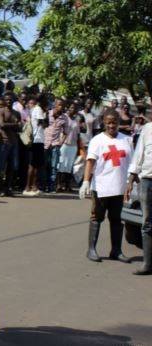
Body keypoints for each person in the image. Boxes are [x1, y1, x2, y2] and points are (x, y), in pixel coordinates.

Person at [79, 109, 132, 264]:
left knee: (116, 219)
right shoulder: (98, 140)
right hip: (101, 187)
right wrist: (86, 181)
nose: (111, 125)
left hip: (119, 187)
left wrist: (131, 182)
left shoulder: (126, 140)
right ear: (103, 122)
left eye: (114, 122)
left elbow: (132, 163)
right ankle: (91, 249)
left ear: (118, 122)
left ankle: (116, 250)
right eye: (108, 122)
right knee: (97, 217)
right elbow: (90, 161)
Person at [127, 120, 152, 275]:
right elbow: (139, 154)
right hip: (147, 181)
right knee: (147, 223)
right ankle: (147, 264)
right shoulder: (147, 129)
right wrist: (131, 177)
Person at [0, 93, 21, 196]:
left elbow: (19, 128)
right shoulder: (1, 111)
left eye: (10, 100)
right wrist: (14, 125)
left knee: (12, 167)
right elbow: (2, 125)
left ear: (13, 100)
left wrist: (15, 126)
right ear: (4, 101)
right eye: (7, 100)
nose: (9, 101)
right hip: (3, 141)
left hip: (14, 142)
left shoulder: (16, 113)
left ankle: (7, 189)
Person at [23, 96, 47, 196]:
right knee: (33, 165)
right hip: (36, 140)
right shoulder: (38, 109)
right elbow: (43, 123)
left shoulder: (36, 110)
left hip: (38, 140)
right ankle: (28, 188)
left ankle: (33, 187)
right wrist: (46, 115)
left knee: (36, 165)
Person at [58, 103, 81, 192]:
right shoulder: (64, 117)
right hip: (64, 144)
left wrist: (79, 147)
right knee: (61, 165)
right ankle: (59, 185)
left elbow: (78, 135)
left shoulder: (76, 120)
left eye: (75, 108)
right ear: (68, 108)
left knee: (69, 166)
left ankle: (67, 186)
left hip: (73, 145)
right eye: (71, 108)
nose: (73, 110)